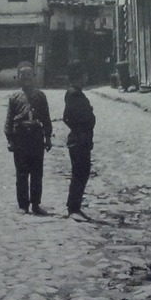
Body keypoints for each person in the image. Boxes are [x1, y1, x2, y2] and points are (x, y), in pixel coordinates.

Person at [5, 62, 52, 215]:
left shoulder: (40, 96)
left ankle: (36, 204)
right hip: (21, 137)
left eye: (29, 75)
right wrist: (10, 140)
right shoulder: (14, 97)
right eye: (22, 75)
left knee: (37, 173)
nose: (26, 78)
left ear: (34, 77)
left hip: (36, 137)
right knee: (22, 173)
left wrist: (48, 137)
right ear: (18, 78)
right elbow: (9, 120)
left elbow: (46, 117)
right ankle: (23, 205)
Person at [62, 60, 96, 221]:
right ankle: (73, 208)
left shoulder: (75, 92)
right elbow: (67, 116)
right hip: (79, 139)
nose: (87, 77)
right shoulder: (74, 94)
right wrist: (81, 128)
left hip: (81, 138)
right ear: (79, 76)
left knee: (82, 172)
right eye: (84, 75)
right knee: (80, 173)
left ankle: (74, 207)